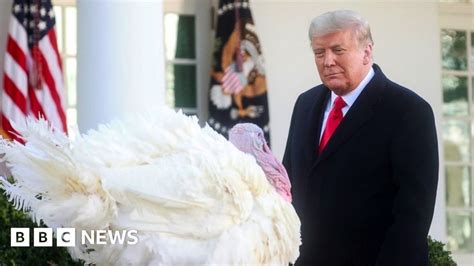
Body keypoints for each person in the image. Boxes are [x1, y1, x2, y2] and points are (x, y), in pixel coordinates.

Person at [282, 10, 438, 266]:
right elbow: (289, 188)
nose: (327, 61)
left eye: (338, 50)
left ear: (367, 52)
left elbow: (412, 217)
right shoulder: (305, 104)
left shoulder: (408, 111)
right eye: (319, 53)